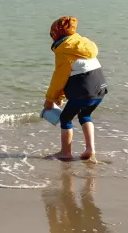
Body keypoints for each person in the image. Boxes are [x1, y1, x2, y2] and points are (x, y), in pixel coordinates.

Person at [44, 16, 108, 161]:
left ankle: (65, 153)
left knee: (65, 118)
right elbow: (74, 73)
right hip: (100, 88)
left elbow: (59, 78)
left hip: (84, 89)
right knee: (84, 115)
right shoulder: (83, 45)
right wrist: (60, 97)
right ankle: (90, 149)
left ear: (56, 34)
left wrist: (50, 100)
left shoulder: (64, 51)